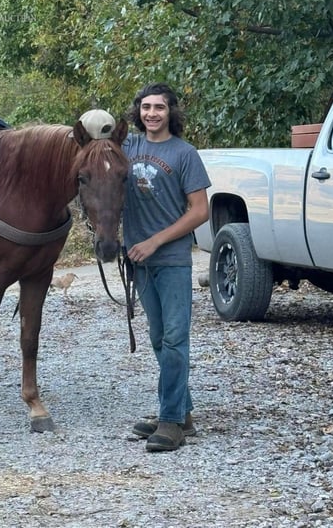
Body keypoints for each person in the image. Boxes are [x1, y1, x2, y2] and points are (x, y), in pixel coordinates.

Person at [122, 82, 211, 452]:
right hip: (138, 261)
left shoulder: (185, 154)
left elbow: (200, 211)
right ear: (138, 112)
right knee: (159, 339)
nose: (152, 114)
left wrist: (156, 241)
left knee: (175, 339)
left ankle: (171, 421)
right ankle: (181, 411)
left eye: (159, 107)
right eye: (146, 107)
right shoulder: (127, 147)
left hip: (170, 259)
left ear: (171, 111)